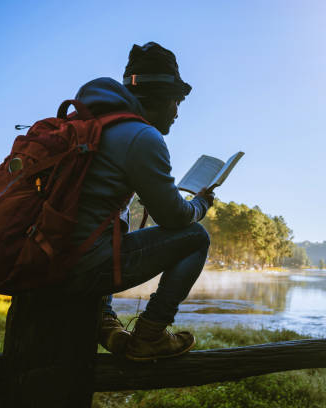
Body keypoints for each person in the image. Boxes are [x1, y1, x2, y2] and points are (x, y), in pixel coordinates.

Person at [64, 42, 214, 361]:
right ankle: (150, 335)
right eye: (177, 101)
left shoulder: (89, 126)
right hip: (81, 269)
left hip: (52, 260)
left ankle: (102, 320)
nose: (177, 112)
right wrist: (200, 205)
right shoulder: (141, 137)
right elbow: (174, 217)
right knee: (196, 237)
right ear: (162, 99)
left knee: (110, 222)